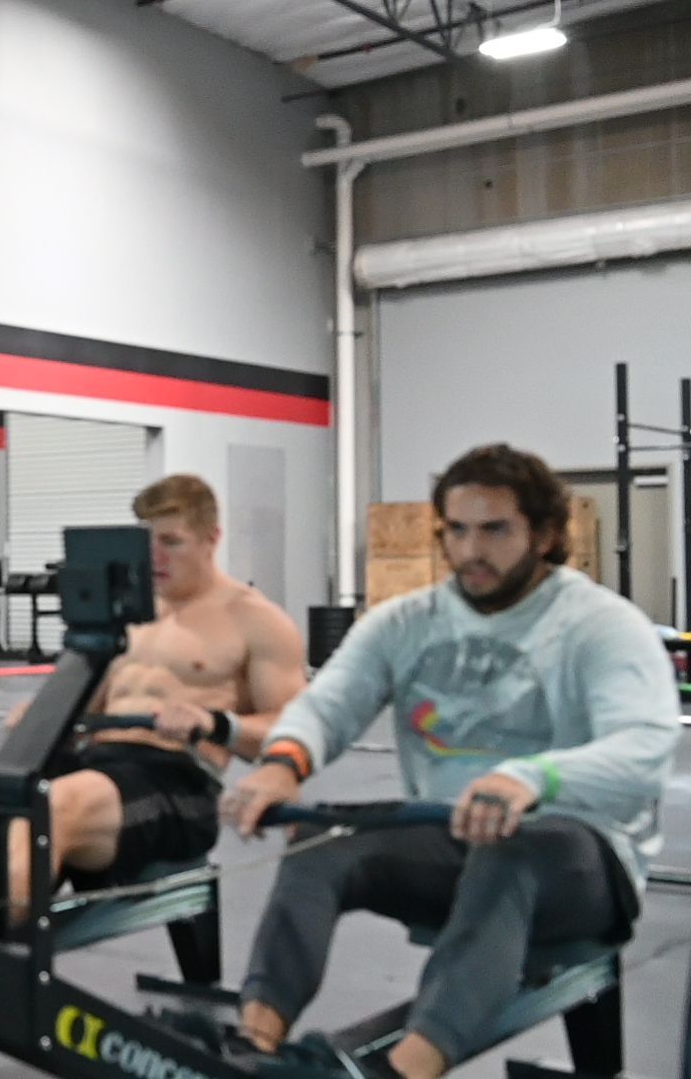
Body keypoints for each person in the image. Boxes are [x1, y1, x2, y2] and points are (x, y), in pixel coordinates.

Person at [225, 444, 680, 1079]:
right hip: (452, 836)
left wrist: (530, 777)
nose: (471, 551)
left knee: (509, 851)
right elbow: (329, 702)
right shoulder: (407, 622)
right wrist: (283, 762)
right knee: (319, 840)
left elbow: (644, 746)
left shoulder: (600, 625)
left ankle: (404, 1071)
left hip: (584, 856)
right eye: (457, 530)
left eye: (495, 530)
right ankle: (253, 1045)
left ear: (546, 535)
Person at [0, 475, 307, 911]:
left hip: (179, 782)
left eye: (172, 542)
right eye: (147, 542)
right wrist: (45, 717)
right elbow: (92, 704)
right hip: (99, 762)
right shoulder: (127, 613)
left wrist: (216, 723)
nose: (155, 557)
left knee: (57, 808)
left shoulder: (255, 620)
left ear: (211, 539)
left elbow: (293, 731)